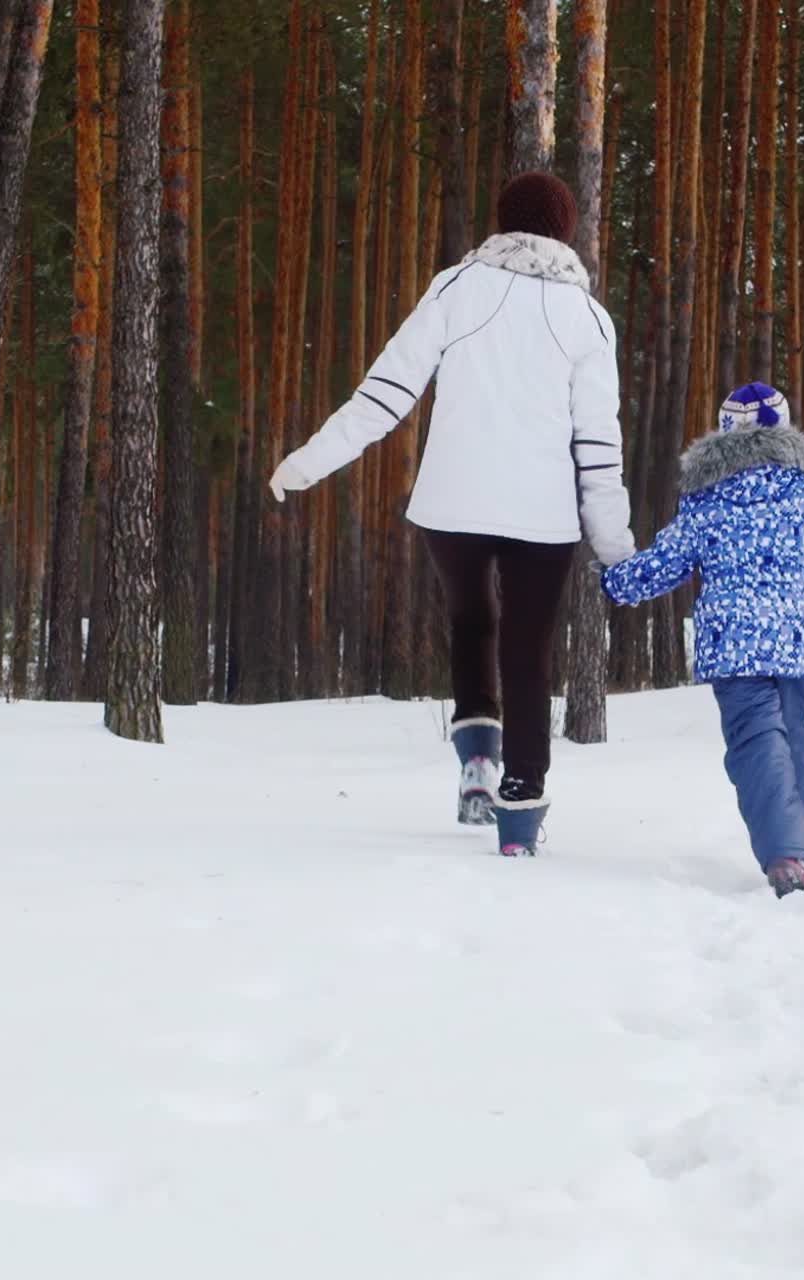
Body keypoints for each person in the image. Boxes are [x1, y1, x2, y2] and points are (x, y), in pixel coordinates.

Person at [268, 172, 637, 856]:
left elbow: (385, 394)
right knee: (527, 650)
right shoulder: (587, 318)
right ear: (564, 230)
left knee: (473, 623)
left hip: (453, 502)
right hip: (542, 515)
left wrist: (307, 463)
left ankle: (476, 760)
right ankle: (521, 810)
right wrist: (614, 543)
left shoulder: (456, 287)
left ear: (502, 222)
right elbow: (598, 443)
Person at [603, 384, 804, 898]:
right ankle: (793, 849)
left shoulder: (706, 500)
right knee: (792, 737)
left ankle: (786, 856)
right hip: (798, 643)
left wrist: (615, 580)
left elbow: (663, 564)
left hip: (733, 645)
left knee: (758, 742)